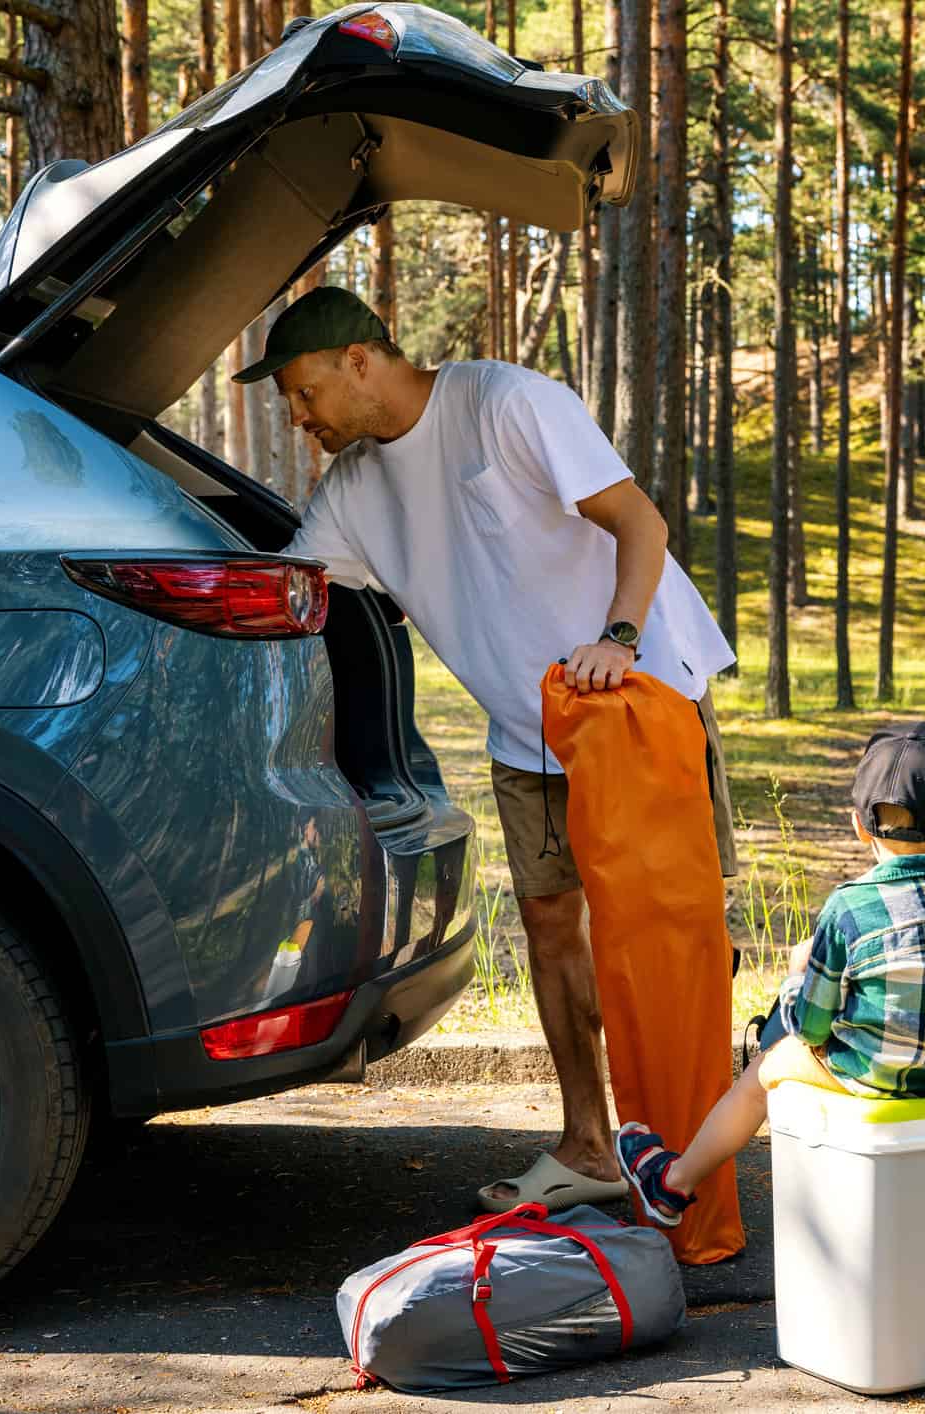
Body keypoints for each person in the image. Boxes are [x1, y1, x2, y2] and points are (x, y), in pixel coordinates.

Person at [241, 286, 739, 1213]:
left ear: (360, 360)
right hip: (529, 732)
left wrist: (617, 639)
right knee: (553, 932)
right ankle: (590, 1144)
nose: (296, 416)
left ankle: (699, 1153)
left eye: (303, 392)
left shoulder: (507, 403)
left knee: (671, 938)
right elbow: (291, 594)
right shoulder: (351, 492)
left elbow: (641, 523)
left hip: (639, 700)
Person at [611, 723, 925, 1226]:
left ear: (859, 826)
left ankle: (672, 1185)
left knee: (763, 1072)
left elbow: (810, 1027)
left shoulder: (851, 907)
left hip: (883, 1080)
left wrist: (794, 975)